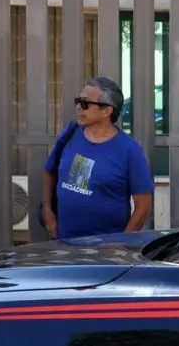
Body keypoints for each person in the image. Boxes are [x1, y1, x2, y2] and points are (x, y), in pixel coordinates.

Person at [40, 76, 155, 240]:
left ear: (107, 111)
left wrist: (120, 243)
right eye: (78, 101)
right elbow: (48, 171)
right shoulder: (70, 134)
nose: (79, 107)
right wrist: (47, 211)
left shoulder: (129, 150)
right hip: (64, 245)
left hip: (105, 253)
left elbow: (143, 207)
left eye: (85, 103)